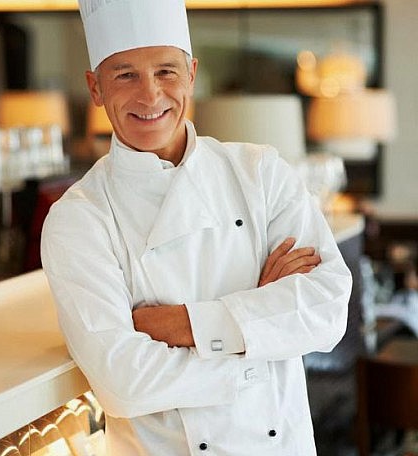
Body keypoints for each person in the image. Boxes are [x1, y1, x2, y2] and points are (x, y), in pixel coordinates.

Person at [41, 0, 352, 454]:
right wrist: (260, 335)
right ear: (95, 88)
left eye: (166, 71)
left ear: (191, 74)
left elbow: (327, 311)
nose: (150, 95)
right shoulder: (79, 217)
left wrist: (179, 324)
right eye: (125, 75)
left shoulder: (260, 172)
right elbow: (124, 383)